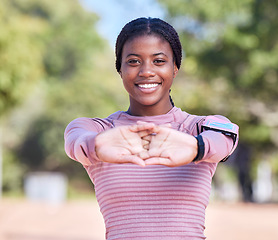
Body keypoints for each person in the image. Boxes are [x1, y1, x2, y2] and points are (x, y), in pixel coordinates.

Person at [64, 17, 239, 240]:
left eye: (158, 61)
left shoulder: (196, 128)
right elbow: (74, 139)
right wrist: (95, 145)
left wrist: (196, 147)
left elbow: (227, 135)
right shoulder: (101, 131)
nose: (146, 71)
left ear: (175, 68)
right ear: (120, 69)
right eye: (134, 61)